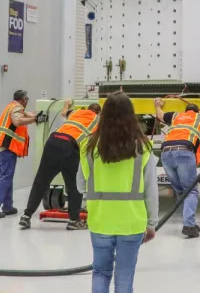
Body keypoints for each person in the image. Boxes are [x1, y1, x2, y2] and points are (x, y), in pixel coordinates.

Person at [79, 92, 158, 293]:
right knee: (124, 278)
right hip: (132, 223)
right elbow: (151, 189)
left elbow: (80, 185)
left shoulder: (88, 146)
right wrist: (151, 223)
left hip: (100, 220)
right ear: (131, 116)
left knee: (100, 273)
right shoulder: (142, 147)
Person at [19, 100, 101, 230]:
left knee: (41, 181)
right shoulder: (97, 120)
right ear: (98, 113)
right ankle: (73, 221)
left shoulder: (76, 112)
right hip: (70, 147)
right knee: (74, 185)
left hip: (53, 141)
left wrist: (67, 104)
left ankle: (26, 216)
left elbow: (63, 113)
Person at [154, 98, 200, 238]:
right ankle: (189, 225)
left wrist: (157, 105)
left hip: (165, 153)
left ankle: (189, 222)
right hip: (184, 152)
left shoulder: (175, 116)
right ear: (197, 110)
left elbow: (160, 115)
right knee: (190, 191)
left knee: (180, 191)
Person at [0, 89, 38, 218]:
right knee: (6, 177)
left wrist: (36, 117)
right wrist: (34, 120)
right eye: (27, 99)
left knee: (6, 177)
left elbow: (28, 114)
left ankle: (8, 206)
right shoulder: (17, 108)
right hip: (6, 147)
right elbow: (17, 121)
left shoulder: (11, 106)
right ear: (23, 99)